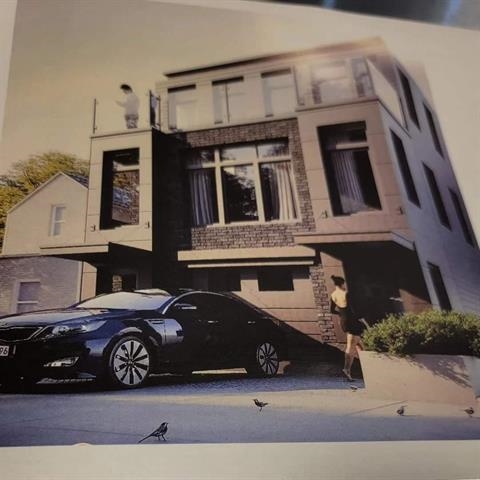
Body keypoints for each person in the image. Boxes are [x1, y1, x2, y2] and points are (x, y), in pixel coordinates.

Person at [330, 274, 364, 381]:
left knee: (360, 345)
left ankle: (364, 368)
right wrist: (361, 318)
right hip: (352, 321)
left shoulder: (333, 295)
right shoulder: (346, 294)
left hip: (344, 321)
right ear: (342, 284)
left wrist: (341, 314)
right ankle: (347, 369)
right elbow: (353, 310)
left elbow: (331, 310)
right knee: (351, 346)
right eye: (344, 284)